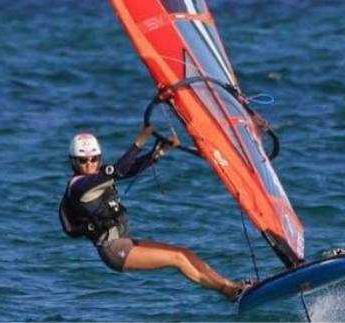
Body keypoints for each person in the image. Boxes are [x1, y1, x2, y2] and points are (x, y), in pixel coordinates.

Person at [58, 128, 252, 300]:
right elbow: (119, 170)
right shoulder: (80, 187)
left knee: (184, 252)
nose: (89, 164)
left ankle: (231, 286)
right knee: (177, 259)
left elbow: (128, 171)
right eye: (83, 160)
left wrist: (158, 152)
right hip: (114, 251)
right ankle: (230, 291)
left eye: (94, 159)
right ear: (74, 162)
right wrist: (139, 142)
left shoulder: (97, 177)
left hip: (124, 241)